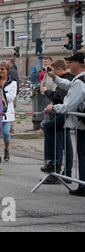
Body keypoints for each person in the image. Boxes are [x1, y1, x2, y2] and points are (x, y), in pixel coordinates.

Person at [46, 52, 85, 196]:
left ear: (77, 63)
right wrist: (55, 78)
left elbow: (68, 106)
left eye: (70, 62)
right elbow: (70, 86)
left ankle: (83, 186)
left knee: (82, 154)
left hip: (83, 124)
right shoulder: (79, 79)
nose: (68, 65)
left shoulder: (80, 81)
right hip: (82, 122)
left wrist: (53, 108)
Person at [40, 60, 74, 183]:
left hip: (62, 114)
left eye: (53, 71)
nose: (51, 74)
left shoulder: (69, 79)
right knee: (66, 144)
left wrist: (47, 92)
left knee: (55, 138)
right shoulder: (66, 79)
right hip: (62, 113)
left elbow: (62, 99)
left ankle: (55, 170)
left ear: (59, 69)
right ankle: (66, 174)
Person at [0, 61, 17, 162]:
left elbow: (11, 97)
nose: (0, 71)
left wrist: (1, 92)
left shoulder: (13, 82)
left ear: (7, 70)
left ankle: (6, 149)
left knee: (6, 133)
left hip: (7, 111)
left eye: (2, 69)